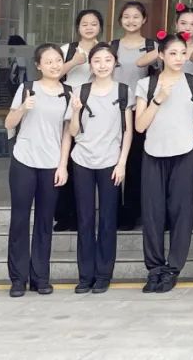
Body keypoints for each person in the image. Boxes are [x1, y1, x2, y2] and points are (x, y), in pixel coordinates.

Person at [134, 31, 193, 293]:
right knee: (153, 214)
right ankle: (154, 269)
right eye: (172, 53)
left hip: (184, 155)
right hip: (153, 154)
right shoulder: (147, 84)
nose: (178, 58)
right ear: (161, 55)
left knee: (181, 213)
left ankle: (173, 269)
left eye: (182, 53)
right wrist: (158, 99)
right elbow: (140, 126)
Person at [5, 44, 71, 298]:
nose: (54, 65)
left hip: (51, 163)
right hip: (24, 160)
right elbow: (9, 123)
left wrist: (63, 165)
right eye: (48, 61)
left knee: (45, 221)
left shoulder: (69, 93)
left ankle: (40, 277)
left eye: (58, 60)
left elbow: (67, 134)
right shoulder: (27, 88)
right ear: (38, 65)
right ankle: (18, 279)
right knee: (20, 220)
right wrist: (23, 107)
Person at [66, 43, 132, 294]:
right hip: (82, 160)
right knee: (85, 219)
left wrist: (122, 163)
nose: (102, 65)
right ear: (90, 65)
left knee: (107, 218)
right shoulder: (80, 91)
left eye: (107, 60)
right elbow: (73, 132)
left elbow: (127, 132)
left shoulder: (123, 91)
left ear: (114, 63)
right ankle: (85, 276)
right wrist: (75, 112)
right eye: (97, 61)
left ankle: (104, 274)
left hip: (111, 162)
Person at [110, 2, 158, 230]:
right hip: (113, 109)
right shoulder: (112, 46)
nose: (131, 20)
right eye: (126, 16)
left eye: (136, 16)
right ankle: (112, 210)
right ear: (120, 20)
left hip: (140, 110)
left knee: (135, 162)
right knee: (112, 159)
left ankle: (131, 212)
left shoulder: (152, 46)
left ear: (144, 19)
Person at [55, 9, 103, 231]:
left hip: (94, 111)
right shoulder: (68, 49)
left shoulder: (104, 50)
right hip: (67, 107)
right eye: (85, 24)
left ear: (100, 27)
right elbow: (54, 73)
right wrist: (74, 61)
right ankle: (64, 215)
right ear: (78, 27)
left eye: (94, 23)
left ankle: (83, 215)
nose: (89, 27)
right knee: (65, 159)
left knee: (84, 163)